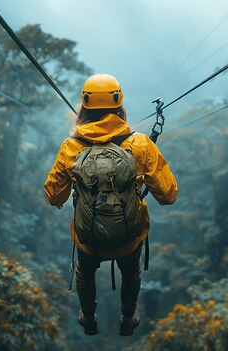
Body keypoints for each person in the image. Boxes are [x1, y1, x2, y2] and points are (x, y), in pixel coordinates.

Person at [44, 74, 178, 336]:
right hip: (128, 235)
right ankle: (128, 316)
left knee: (84, 269)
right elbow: (168, 194)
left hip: (89, 237)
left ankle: (88, 315)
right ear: (120, 106)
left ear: (84, 108)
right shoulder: (139, 143)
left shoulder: (71, 147)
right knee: (131, 270)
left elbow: (54, 196)